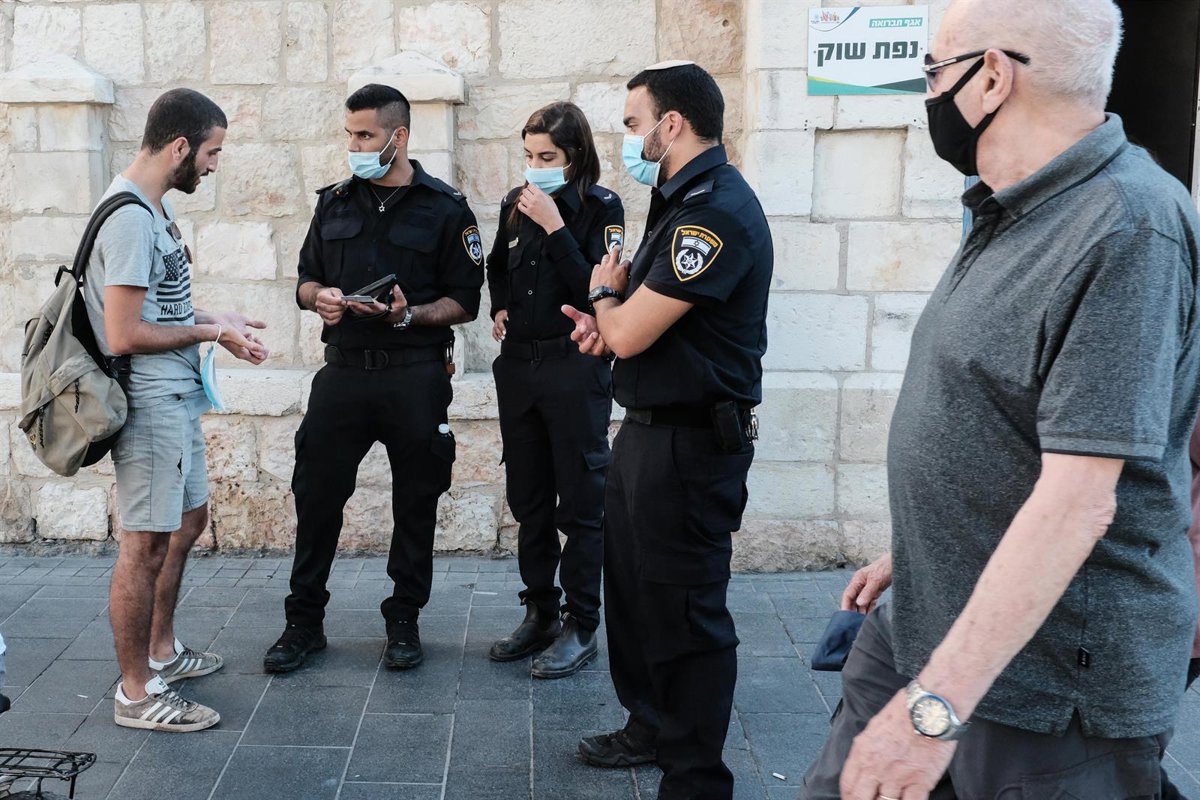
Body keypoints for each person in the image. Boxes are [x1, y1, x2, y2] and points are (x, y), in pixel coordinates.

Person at [801, 1, 1200, 797]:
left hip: (1042, 691)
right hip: (926, 622)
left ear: (990, 76)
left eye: (934, 70)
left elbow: (1079, 500)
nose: (928, 92)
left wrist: (931, 714)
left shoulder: (1126, 228)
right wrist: (921, 547)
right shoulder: (1010, 207)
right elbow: (1001, 414)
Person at [563, 62, 773, 799]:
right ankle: (648, 726)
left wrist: (604, 296)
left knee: (685, 613)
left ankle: (695, 778)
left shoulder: (714, 213)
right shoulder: (678, 201)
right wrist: (610, 324)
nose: (628, 138)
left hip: (689, 444)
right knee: (633, 595)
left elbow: (629, 327)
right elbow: (641, 328)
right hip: (649, 432)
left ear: (672, 123)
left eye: (632, 123)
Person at [264, 84, 483, 674]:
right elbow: (305, 279)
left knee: (416, 499)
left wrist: (408, 315)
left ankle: (404, 620)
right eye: (350, 135)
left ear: (398, 136)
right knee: (316, 496)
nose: (355, 146)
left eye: (366, 135)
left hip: (415, 376)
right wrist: (320, 298)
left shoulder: (446, 208)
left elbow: (465, 301)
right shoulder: (334, 203)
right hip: (343, 374)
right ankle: (303, 623)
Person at [85, 88, 270, 731]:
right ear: (181, 147)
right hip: (149, 402)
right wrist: (211, 333)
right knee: (143, 545)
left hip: (176, 395)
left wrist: (216, 317)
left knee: (189, 523)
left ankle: (161, 651)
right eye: (212, 152)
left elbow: (158, 308)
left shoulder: (152, 209)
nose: (215, 165)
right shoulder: (129, 219)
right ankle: (136, 692)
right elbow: (123, 333)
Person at [485, 102, 623, 678]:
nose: (535, 168)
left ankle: (581, 623)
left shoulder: (601, 207)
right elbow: (496, 265)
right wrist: (498, 305)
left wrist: (555, 226)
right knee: (530, 498)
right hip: (520, 367)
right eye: (529, 156)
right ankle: (540, 611)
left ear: (575, 156)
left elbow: (598, 286)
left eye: (548, 157)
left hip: (574, 367)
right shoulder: (513, 204)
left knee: (582, 503)